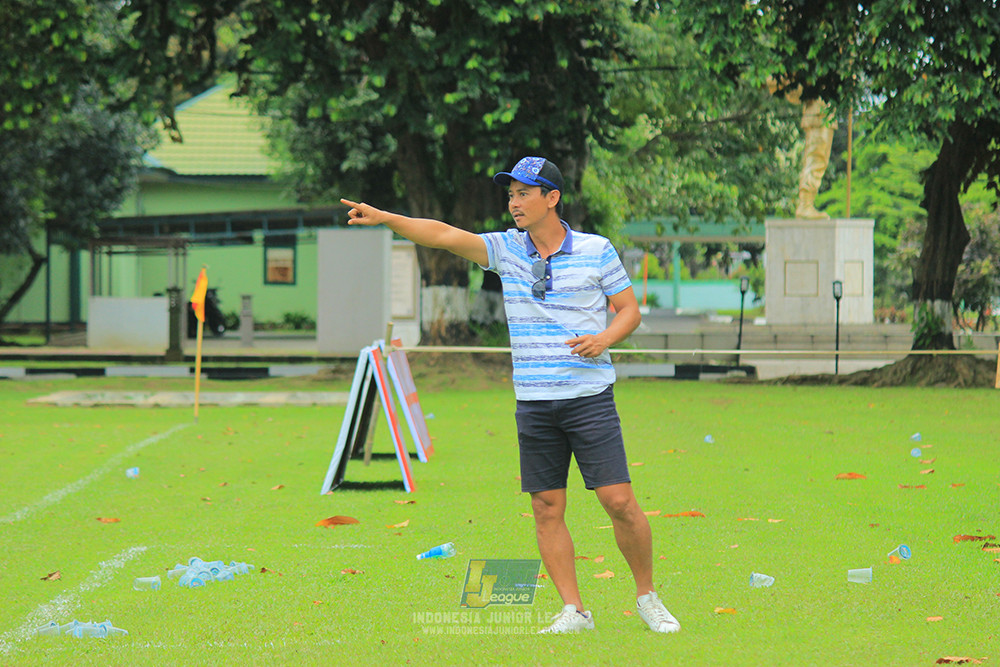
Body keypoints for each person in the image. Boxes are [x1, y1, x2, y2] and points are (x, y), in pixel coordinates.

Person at [340, 156, 680, 635]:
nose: (514, 203)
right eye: (511, 194)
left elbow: (628, 310)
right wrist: (387, 218)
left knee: (619, 501)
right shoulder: (505, 249)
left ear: (552, 198)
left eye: (524, 193)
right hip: (535, 401)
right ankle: (574, 611)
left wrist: (604, 339)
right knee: (545, 507)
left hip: (588, 396)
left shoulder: (596, 250)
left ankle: (647, 597)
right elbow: (441, 234)